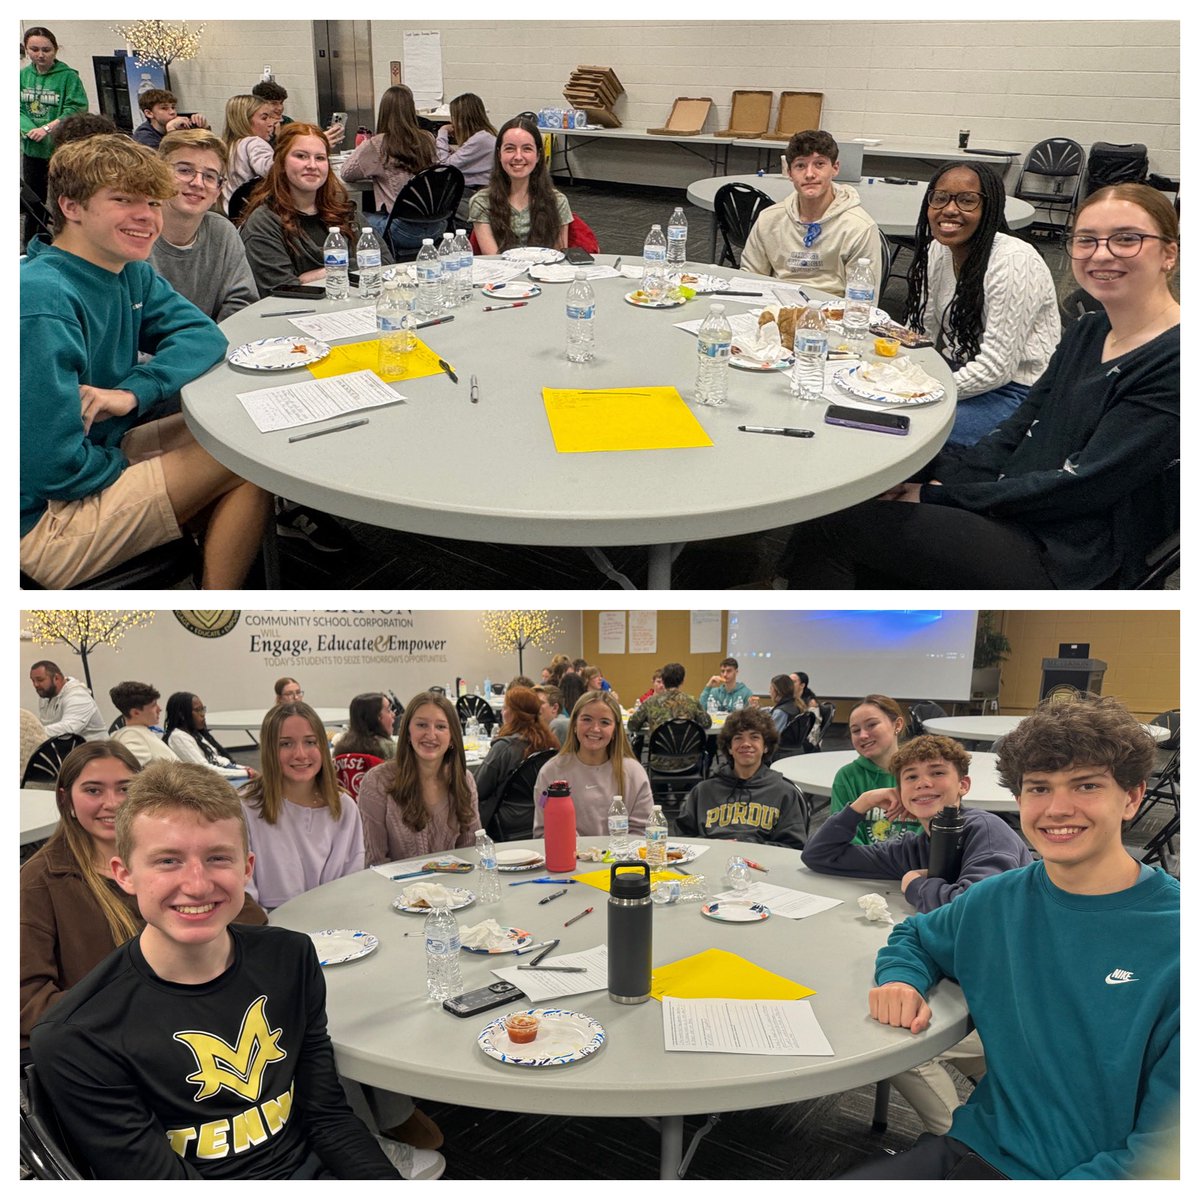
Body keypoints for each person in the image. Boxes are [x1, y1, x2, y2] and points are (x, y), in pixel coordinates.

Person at [30, 760, 442, 1179]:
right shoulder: (77, 1035)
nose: (196, 883)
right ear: (125, 874)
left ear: (246, 868)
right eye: (168, 861)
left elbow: (328, 1118)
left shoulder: (292, 959)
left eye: (217, 858)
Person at [779, 183, 1179, 590]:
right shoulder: (1090, 329)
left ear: (1169, 253)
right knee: (863, 483)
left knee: (839, 524)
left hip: (1066, 547)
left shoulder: (1175, 361)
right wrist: (947, 481)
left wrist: (943, 496)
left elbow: (1083, 487)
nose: (1102, 253)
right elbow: (1018, 425)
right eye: (1086, 240)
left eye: (1127, 239)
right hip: (1023, 494)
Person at [849, 696, 1178, 1179]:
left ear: (1131, 798)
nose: (1057, 809)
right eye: (1039, 788)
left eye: (1086, 785)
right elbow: (915, 936)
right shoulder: (996, 901)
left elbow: (1167, 1154)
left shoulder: (1176, 939)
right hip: (981, 1145)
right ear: (1019, 800)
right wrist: (901, 980)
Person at [21, 134, 271, 589]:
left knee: (246, 435)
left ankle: (211, 603)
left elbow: (203, 335)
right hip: (43, 519)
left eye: (154, 202)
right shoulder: (43, 298)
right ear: (71, 207)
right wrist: (130, 466)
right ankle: (213, 620)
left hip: (94, 455)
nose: (146, 217)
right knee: (248, 463)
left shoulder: (126, 269)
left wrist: (133, 391)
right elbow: (51, 469)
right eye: (123, 200)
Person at [804, 734, 1032, 1134]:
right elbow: (821, 856)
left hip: (1013, 994)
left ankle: (955, 1139)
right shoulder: (914, 845)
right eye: (910, 778)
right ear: (900, 793)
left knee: (898, 1044)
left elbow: (970, 911)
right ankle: (1013, 1096)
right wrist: (861, 805)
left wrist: (914, 887)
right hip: (967, 977)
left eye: (937, 773)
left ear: (963, 785)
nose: (923, 783)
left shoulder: (985, 829)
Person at [20, 742, 269, 1051]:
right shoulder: (39, 881)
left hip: (210, 1022)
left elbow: (252, 923)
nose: (112, 803)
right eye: (93, 791)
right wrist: (145, 1012)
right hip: (112, 1048)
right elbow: (26, 1001)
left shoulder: (193, 866)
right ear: (66, 799)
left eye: (124, 788)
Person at [905, 162, 1060, 446]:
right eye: (940, 198)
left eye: (966, 200)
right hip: (960, 370)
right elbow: (921, 332)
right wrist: (894, 372)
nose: (949, 209)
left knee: (912, 430)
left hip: (1016, 390)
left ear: (989, 209)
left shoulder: (1013, 261)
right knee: (874, 413)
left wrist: (920, 393)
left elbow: (996, 369)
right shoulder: (937, 249)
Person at [239, 123, 394, 294]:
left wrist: (317, 275)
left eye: (320, 158)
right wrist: (356, 266)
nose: (312, 165)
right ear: (281, 162)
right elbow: (280, 290)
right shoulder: (263, 223)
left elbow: (385, 262)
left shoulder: (343, 211)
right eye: (301, 156)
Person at [238, 702, 364, 911]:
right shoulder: (247, 807)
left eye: (310, 742)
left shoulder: (344, 807)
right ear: (269, 750)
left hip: (334, 924)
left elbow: (352, 880)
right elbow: (243, 891)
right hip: (269, 930)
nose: (301, 754)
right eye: (286, 744)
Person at [740, 129, 883, 298]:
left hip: (832, 314)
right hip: (776, 309)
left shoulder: (859, 227)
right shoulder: (769, 219)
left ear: (835, 168)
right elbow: (749, 281)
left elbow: (863, 303)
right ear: (789, 172)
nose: (809, 174)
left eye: (819, 164)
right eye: (800, 165)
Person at [357, 692, 481, 864]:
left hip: (453, 887)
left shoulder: (464, 780)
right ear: (407, 732)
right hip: (392, 888)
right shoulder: (377, 782)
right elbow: (375, 861)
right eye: (422, 725)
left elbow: (470, 854)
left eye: (441, 727)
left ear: (452, 737)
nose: (431, 735)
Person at [151, 129, 259, 321]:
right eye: (184, 170)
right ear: (159, 174)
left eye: (209, 176)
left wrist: (208, 344)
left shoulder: (222, 232)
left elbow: (242, 302)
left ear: (218, 190)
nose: (198, 183)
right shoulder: (136, 234)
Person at [677, 706, 807, 848]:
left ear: (766, 747)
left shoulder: (785, 792)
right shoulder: (703, 791)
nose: (746, 744)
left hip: (764, 866)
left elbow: (795, 847)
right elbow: (683, 840)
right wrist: (714, 846)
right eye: (738, 738)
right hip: (711, 864)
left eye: (754, 737)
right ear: (729, 748)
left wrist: (748, 846)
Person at [533, 691, 652, 837]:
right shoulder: (551, 772)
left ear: (615, 730)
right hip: (568, 857)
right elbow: (542, 832)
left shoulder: (634, 773)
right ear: (574, 724)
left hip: (621, 857)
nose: (595, 728)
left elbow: (643, 831)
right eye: (587, 719)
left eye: (605, 722)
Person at [341, 84, 438, 253]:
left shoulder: (377, 145)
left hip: (401, 230)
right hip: (438, 227)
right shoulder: (428, 139)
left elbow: (346, 173)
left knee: (352, 218)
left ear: (383, 112)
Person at [20, 27, 87, 243]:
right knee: (34, 201)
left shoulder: (68, 77)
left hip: (59, 149)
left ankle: (66, 242)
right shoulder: (22, 76)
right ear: (27, 50)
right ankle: (32, 244)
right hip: (33, 149)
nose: (40, 55)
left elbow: (76, 108)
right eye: (34, 49)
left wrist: (47, 128)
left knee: (64, 199)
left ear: (56, 50)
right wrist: (29, 128)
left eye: (46, 50)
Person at [470, 114, 571, 255]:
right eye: (510, 148)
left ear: (538, 155)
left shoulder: (557, 201)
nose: (518, 156)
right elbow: (493, 260)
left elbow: (557, 257)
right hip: (500, 274)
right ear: (499, 155)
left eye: (527, 149)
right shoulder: (481, 202)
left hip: (545, 275)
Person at [831, 695, 922, 845]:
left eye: (872, 725)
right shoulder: (847, 777)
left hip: (914, 863)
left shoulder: (922, 775)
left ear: (897, 725)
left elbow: (930, 830)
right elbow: (843, 834)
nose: (863, 735)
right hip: (864, 865)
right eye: (855, 730)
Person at [474, 685, 560, 830]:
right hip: (542, 816)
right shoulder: (551, 744)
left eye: (505, 707)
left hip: (505, 822)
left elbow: (477, 790)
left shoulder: (504, 748)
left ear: (513, 714)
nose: (502, 712)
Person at [626, 661, 711, 770]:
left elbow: (632, 726)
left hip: (659, 762)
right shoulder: (692, 701)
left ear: (664, 681)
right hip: (689, 762)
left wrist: (649, 720)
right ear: (682, 681)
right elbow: (707, 723)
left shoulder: (650, 702)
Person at [163, 691, 256, 780]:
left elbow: (216, 759)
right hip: (210, 783)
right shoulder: (178, 737)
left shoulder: (195, 734)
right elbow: (204, 770)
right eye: (197, 710)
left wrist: (243, 768)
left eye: (203, 709)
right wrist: (245, 773)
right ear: (182, 715)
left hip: (219, 775)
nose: (203, 714)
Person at [435, 92, 497, 218]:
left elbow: (444, 167)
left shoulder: (480, 139)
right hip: (477, 192)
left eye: (453, 117)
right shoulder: (483, 137)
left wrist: (442, 132)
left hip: (477, 197)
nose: (451, 122)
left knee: (436, 206)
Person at [220, 93, 279, 212]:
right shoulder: (254, 143)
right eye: (264, 118)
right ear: (245, 120)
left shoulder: (228, 145)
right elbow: (275, 171)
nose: (271, 123)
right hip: (251, 214)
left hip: (231, 214)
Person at [29, 660, 107, 741]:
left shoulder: (78, 696)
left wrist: (33, 733)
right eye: (33, 680)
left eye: (40, 680)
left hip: (96, 750)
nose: (35, 685)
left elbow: (68, 728)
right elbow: (45, 724)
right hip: (69, 750)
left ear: (56, 678)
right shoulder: (45, 697)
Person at [110, 681, 179, 767]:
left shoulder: (138, 732)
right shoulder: (132, 736)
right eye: (154, 705)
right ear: (135, 713)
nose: (159, 709)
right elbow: (124, 770)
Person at [131, 87, 209, 150]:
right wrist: (171, 130)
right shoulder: (144, 137)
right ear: (149, 113)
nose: (172, 112)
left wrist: (203, 128)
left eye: (173, 107)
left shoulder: (181, 125)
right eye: (164, 108)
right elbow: (169, 162)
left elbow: (205, 149)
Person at [331, 692, 397, 759]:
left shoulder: (340, 748)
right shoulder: (390, 749)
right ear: (377, 717)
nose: (393, 715)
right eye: (388, 710)